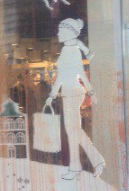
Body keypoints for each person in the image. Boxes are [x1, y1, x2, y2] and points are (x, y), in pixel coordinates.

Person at [45, 18, 105, 180]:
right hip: (69, 93)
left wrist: (92, 93)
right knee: (73, 131)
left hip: (73, 93)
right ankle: (93, 162)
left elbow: (80, 73)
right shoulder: (67, 50)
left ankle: (78, 167)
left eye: (61, 30)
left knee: (73, 131)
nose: (58, 34)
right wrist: (52, 95)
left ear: (69, 33)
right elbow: (61, 76)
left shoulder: (72, 51)